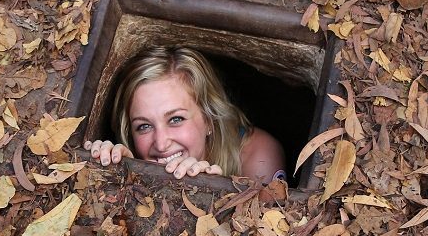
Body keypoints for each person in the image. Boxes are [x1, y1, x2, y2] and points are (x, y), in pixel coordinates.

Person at [84, 46, 286, 182]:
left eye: (175, 119)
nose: (161, 144)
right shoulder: (139, 153)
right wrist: (119, 172)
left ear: (209, 118)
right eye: (144, 126)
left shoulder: (258, 157)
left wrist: (210, 193)